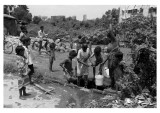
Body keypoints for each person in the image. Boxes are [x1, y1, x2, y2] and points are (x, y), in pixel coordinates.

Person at [100, 24, 122, 89]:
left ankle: (117, 89)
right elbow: (108, 54)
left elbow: (110, 31)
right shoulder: (110, 43)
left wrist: (110, 24)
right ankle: (112, 87)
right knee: (110, 75)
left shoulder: (115, 41)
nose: (108, 37)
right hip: (110, 61)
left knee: (116, 75)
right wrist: (103, 62)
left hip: (115, 60)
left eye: (109, 36)